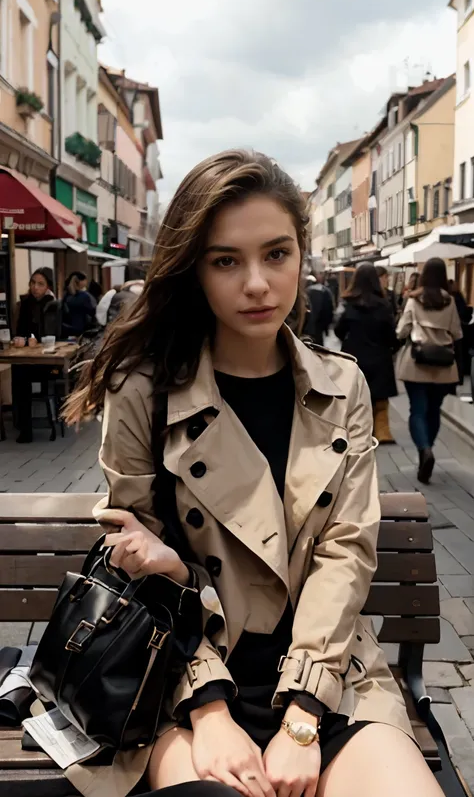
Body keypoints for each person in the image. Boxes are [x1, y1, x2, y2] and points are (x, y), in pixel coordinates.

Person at [63, 150, 443, 797]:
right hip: (182, 676)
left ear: (301, 253)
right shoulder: (145, 390)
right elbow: (133, 566)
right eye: (226, 260)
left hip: (329, 675)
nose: (259, 283)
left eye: (276, 253)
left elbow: (344, 548)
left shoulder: (339, 382)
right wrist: (209, 709)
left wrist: (301, 717)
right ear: (195, 270)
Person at [396, 258, 462, 484]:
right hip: (444, 365)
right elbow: (456, 332)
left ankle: (424, 450)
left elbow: (402, 331)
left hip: (417, 362)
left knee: (418, 410)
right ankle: (429, 448)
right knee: (434, 410)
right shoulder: (450, 301)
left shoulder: (414, 300)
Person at [335, 263, 399, 444]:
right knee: (380, 400)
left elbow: (339, 330)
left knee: (356, 398)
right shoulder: (384, 305)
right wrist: (392, 347)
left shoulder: (349, 304)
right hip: (379, 357)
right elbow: (390, 333)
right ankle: (382, 432)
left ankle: (358, 433)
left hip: (354, 357)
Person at [12, 268, 59, 443]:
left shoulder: (52, 304)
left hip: (50, 364)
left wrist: (36, 340)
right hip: (28, 357)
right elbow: (20, 330)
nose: (35, 287)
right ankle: (23, 426)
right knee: (18, 372)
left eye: (40, 284)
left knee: (22, 374)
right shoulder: (25, 303)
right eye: (32, 283)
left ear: (47, 286)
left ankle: (26, 427)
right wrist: (21, 339)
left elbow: (52, 332)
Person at [61, 271, 97, 337]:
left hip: (66, 329)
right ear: (81, 282)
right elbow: (92, 311)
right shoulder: (84, 296)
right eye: (85, 280)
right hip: (80, 329)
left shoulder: (66, 296)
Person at [302, 274, 334, 345]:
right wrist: (326, 327)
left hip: (305, 329)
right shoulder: (325, 291)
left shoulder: (303, 293)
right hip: (319, 327)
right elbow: (329, 311)